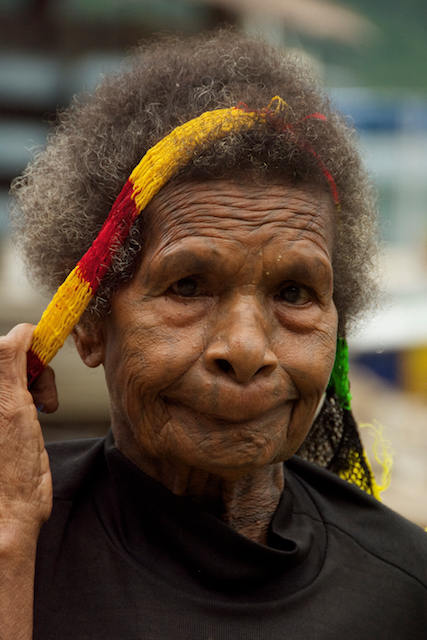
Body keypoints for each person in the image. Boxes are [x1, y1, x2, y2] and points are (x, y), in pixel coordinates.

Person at [1, 29, 426, 639]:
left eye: (293, 294)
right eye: (189, 286)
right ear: (90, 324)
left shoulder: (402, 591)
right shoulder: (19, 535)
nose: (247, 350)